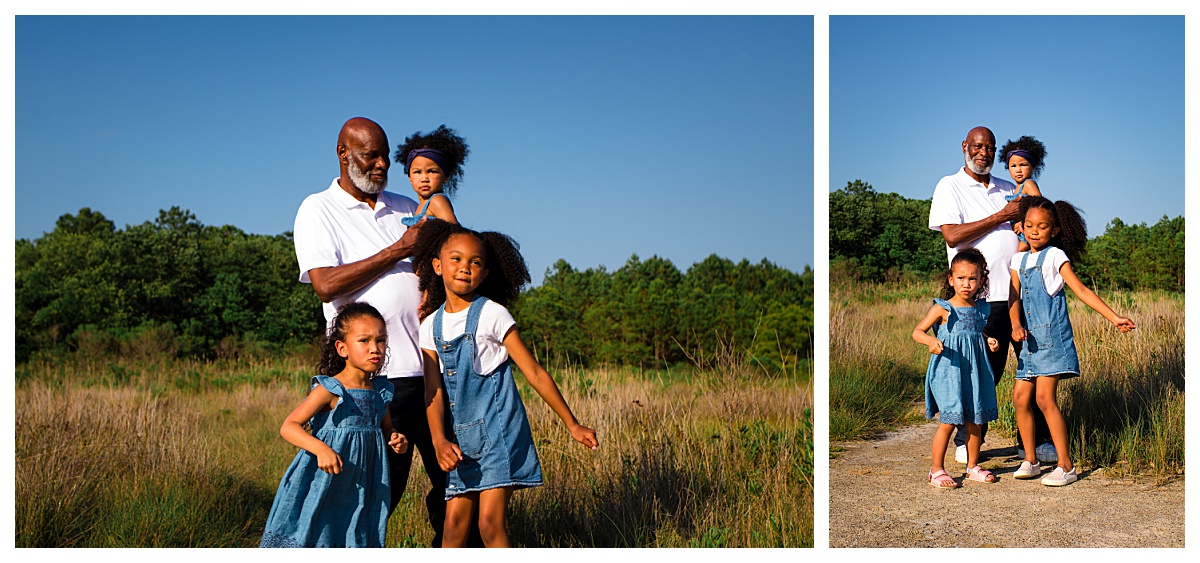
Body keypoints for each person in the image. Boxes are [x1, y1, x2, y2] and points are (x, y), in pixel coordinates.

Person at [292, 117, 480, 546]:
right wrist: (399, 249)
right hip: (371, 382)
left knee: (459, 488)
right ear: (343, 153)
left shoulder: (408, 203)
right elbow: (325, 283)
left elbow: (457, 255)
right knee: (369, 494)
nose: (381, 165)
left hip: (434, 373)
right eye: (369, 155)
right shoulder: (318, 208)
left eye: (384, 156)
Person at [413, 221, 600, 547]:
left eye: (475, 262)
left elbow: (534, 372)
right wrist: (439, 440)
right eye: (456, 259)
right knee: (453, 527)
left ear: (484, 273)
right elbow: (433, 390)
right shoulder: (430, 326)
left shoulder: (493, 314)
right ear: (437, 266)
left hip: (500, 432)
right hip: (464, 440)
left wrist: (572, 424)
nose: (465, 268)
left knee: (489, 525)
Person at [927, 125, 1055, 465]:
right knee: (981, 372)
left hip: (1020, 294)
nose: (983, 153)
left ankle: (1034, 441)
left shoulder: (1008, 187)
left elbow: (1032, 223)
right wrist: (1002, 216)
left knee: (1034, 368)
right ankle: (966, 438)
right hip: (978, 300)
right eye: (977, 146)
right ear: (965, 147)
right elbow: (953, 236)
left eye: (990, 148)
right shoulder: (949, 185)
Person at [1008, 196, 1136, 486]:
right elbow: (1013, 296)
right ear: (1022, 227)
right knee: (1019, 398)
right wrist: (1015, 324)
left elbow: (1080, 289)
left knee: (1043, 399)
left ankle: (1066, 466)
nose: (1035, 231)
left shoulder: (1055, 256)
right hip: (1028, 342)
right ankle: (1031, 460)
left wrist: (1114, 317)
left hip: (1051, 340)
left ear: (1054, 231)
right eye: (1029, 225)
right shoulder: (1018, 259)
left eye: (1042, 227)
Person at [260, 302, 409, 547]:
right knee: (318, 532)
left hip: (364, 482)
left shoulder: (380, 391)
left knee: (354, 532)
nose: (375, 348)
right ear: (342, 348)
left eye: (381, 340)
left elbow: (386, 428)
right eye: (364, 341)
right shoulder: (330, 389)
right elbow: (289, 425)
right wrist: (320, 449)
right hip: (325, 480)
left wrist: (395, 438)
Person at [912, 248, 1001, 488]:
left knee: (975, 420)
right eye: (961, 278)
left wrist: (987, 339)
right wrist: (931, 341)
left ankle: (972, 467)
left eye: (973, 278)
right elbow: (917, 332)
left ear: (981, 280)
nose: (967, 284)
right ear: (951, 279)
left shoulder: (980, 308)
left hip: (974, 370)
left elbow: (973, 332)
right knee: (949, 420)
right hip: (949, 371)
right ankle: (937, 470)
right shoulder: (943, 308)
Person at [396, 125, 469, 227]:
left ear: (445, 177)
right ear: (410, 178)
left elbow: (454, 232)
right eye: (417, 172)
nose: (424, 179)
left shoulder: (437, 201)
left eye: (432, 171)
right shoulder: (419, 206)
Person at [997, 136, 1046, 251]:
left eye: (1023, 165)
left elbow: (1041, 206)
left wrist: (1024, 223)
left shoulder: (1028, 184)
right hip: (1019, 232)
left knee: (1018, 255)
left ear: (1033, 167)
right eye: (1013, 166)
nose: (1018, 170)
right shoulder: (1015, 188)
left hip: (1027, 231)